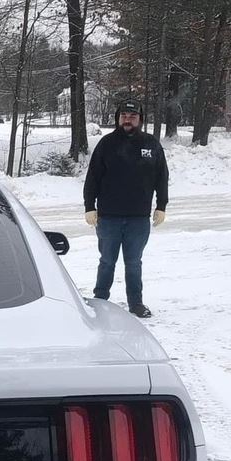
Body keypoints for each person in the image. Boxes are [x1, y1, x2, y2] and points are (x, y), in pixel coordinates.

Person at [83, 98, 168, 318]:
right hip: (109, 217)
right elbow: (92, 177)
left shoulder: (151, 145)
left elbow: (162, 177)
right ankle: (100, 299)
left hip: (138, 218)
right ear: (118, 118)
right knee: (106, 261)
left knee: (133, 263)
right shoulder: (106, 144)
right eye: (123, 116)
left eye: (132, 117)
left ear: (140, 119)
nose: (127, 120)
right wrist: (89, 206)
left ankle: (136, 303)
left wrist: (161, 206)